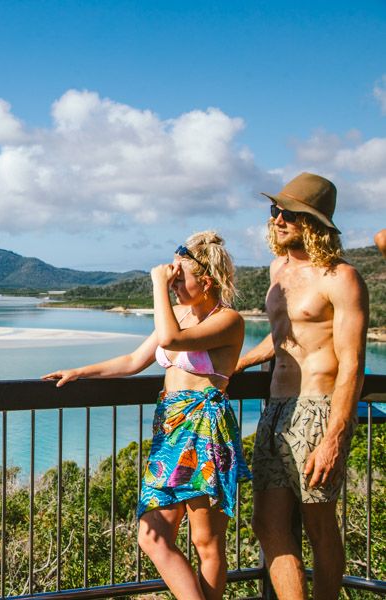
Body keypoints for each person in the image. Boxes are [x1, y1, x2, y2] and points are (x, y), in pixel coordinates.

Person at [43, 231, 249, 600]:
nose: (172, 285)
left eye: (178, 278)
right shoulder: (181, 315)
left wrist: (155, 283)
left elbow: (170, 340)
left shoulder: (229, 321)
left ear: (207, 281)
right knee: (152, 536)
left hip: (204, 431)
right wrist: (79, 371)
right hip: (170, 432)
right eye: (169, 278)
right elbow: (133, 361)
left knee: (206, 542)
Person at [236, 172, 368, 600]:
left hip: (319, 409)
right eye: (275, 210)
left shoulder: (340, 277)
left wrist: (335, 437)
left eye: (289, 213)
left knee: (318, 525)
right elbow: (280, 338)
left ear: (314, 222)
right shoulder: (279, 269)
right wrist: (233, 365)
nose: (277, 218)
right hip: (275, 409)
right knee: (267, 524)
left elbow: (352, 366)